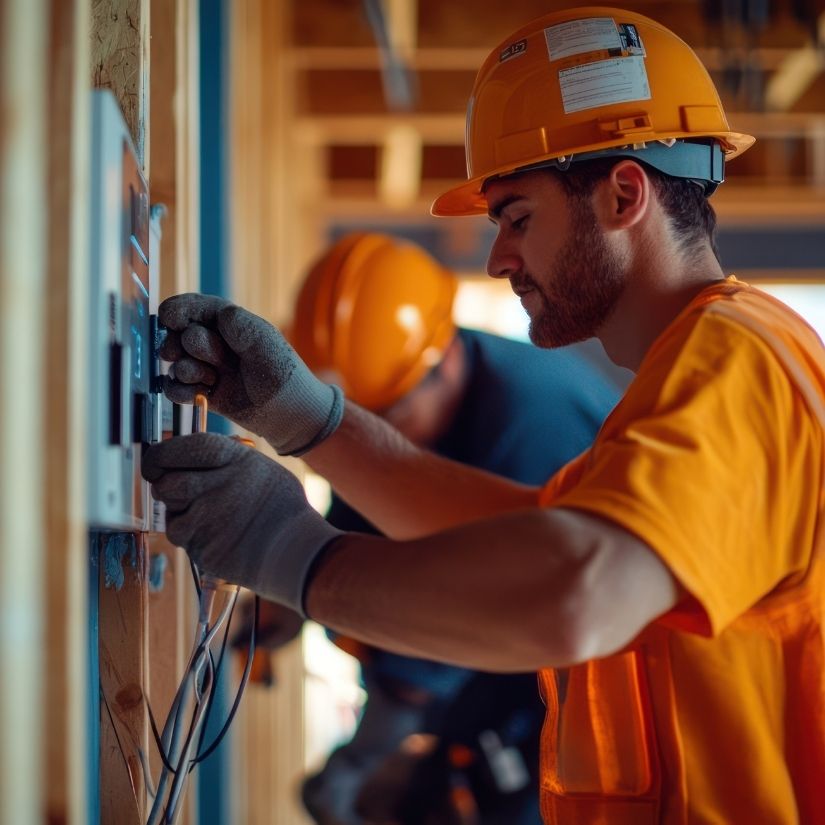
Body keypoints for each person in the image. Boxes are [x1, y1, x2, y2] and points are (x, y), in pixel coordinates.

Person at [143, 7, 825, 824]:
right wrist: (311, 422)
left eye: (517, 218)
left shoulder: (735, 358)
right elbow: (526, 527)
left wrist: (290, 551)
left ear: (622, 193)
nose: (499, 258)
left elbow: (574, 592)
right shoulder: (701, 366)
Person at [260, 231, 622, 825]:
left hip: (576, 700)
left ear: (441, 361)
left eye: (383, 418)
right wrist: (287, 593)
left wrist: (358, 759)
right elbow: (376, 485)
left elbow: (474, 605)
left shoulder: (530, 429)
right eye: (353, 421)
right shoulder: (425, 383)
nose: (370, 436)